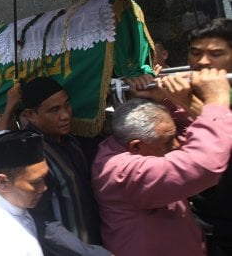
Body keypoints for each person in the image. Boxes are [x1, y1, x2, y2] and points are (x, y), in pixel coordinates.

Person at [93, 69, 232, 256]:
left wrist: (166, 99)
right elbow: (204, 164)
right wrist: (216, 101)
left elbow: (197, 136)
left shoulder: (131, 144)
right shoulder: (124, 172)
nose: (178, 145)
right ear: (136, 147)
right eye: (168, 142)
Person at [20, 77, 109, 255]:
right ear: (31, 115)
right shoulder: (31, 156)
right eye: (54, 110)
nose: (66, 115)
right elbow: (43, 222)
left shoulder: (72, 141)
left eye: (67, 105)